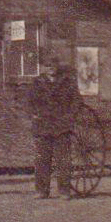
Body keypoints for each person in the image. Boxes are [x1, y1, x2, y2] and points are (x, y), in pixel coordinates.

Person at [28, 60, 80, 198]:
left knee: (63, 160)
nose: (50, 68)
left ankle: (64, 191)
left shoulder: (68, 82)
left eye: (53, 65)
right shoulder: (37, 82)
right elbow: (28, 101)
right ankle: (41, 191)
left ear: (58, 66)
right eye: (47, 65)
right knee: (42, 159)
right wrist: (33, 114)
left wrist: (69, 116)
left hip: (61, 126)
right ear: (43, 67)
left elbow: (77, 101)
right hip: (42, 125)